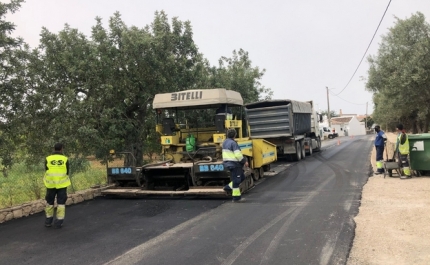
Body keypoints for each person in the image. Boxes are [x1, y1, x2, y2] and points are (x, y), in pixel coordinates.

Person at [44, 143, 71, 228]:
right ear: (61, 149)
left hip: (51, 184)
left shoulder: (48, 159)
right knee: (61, 203)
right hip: (62, 184)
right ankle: (59, 222)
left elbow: (46, 170)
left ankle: (48, 221)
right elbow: (67, 172)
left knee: (49, 202)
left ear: (54, 148)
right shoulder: (65, 159)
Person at [222, 128, 248, 202]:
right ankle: (236, 198)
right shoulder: (233, 143)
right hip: (235, 164)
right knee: (236, 180)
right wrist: (244, 161)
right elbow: (238, 155)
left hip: (228, 163)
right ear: (235, 135)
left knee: (242, 177)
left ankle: (228, 187)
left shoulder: (225, 142)